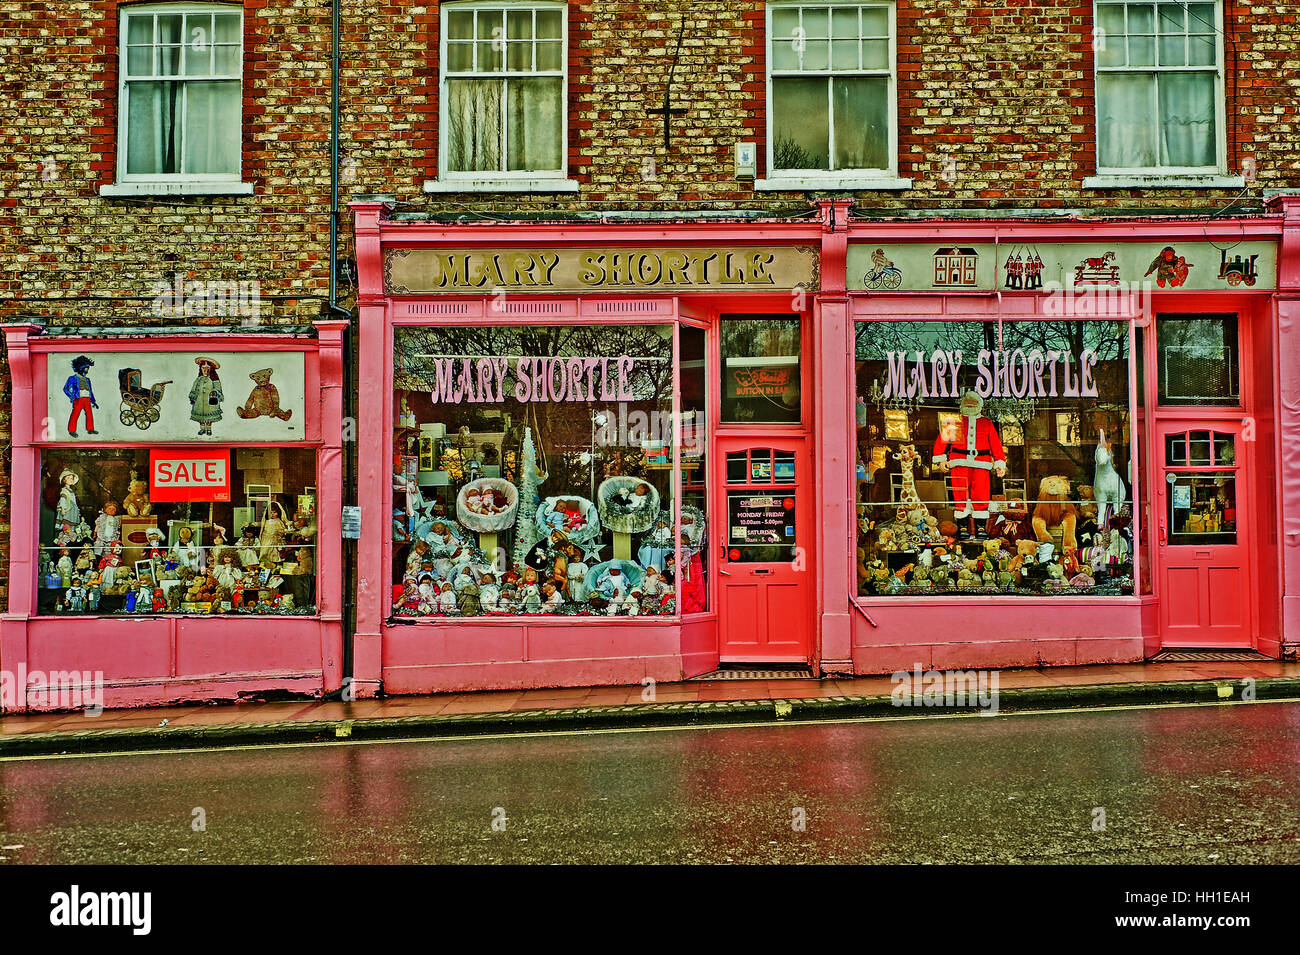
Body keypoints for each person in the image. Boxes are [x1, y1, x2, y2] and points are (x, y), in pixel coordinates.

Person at [63, 355, 99, 437]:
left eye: (87, 370)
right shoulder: (72, 378)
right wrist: (72, 396)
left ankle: (90, 429)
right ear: (80, 369)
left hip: (87, 399)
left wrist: (94, 401)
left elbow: (91, 391)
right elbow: (65, 389)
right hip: (78, 399)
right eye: (85, 370)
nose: (86, 372)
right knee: (75, 414)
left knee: (89, 414)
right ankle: (72, 431)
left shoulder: (87, 380)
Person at [188, 357, 224, 436]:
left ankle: (208, 429)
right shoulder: (198, 379)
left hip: (210, 402)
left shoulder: (214, 380)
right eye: (203, 368)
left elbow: (218, 389)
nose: (205, 370)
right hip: (199, 402)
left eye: (208, 368)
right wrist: (192, 397)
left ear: (211, 369)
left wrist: (215, 393)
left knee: (208, 417)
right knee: (201, 417)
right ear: (200, 368)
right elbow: (194, 388)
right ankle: (202, 429)